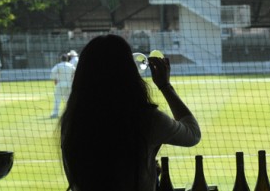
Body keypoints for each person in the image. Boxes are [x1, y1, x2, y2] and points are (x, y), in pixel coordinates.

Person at [60, 34, 201, 191]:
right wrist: (165, 86)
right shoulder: (146, 118)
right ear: (129, 72)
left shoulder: (72, 122)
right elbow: (192, 134)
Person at [50, 53, 76, 119]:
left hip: (60, 84)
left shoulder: (58, 65)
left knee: (57, 99)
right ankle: (71, 112)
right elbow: (75, 72)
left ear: (61, 59)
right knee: (68, 99)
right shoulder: (71, 65)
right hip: (69, 84)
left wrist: (55, 79)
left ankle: (55, 113)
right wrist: (72, 79)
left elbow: (52, 72)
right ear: (67, 59)